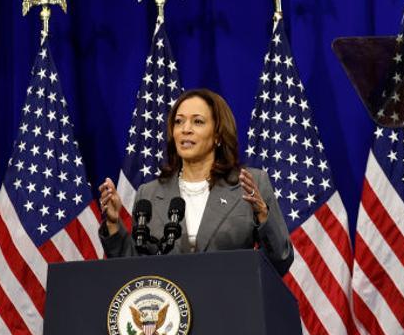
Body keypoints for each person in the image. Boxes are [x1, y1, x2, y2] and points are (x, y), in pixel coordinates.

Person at [98, 88, 294, 276]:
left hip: (230, 306)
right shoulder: (148, 193)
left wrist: (262, 215)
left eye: (197, 122)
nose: (186, 129)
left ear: (218, 134)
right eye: (178, 122)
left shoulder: (251, 184)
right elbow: (135, 271)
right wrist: (113, 224)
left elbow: (280, 261)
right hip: (169, 308)